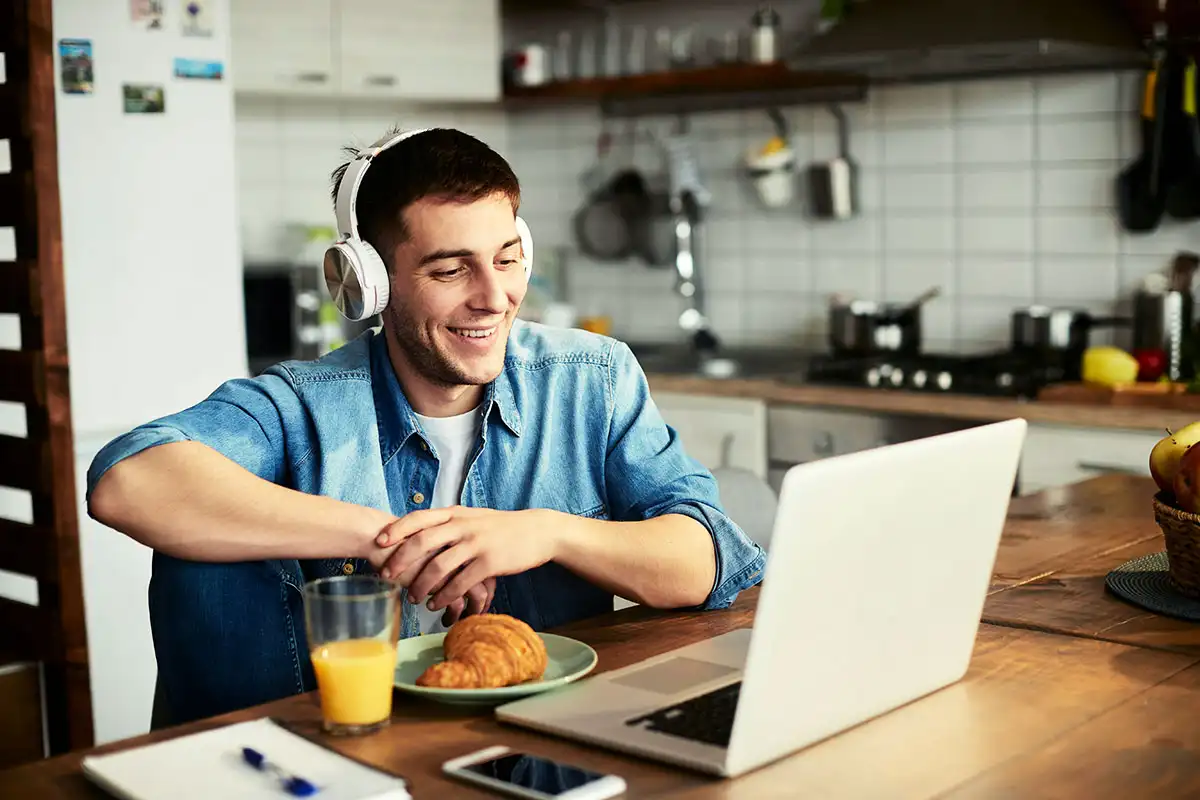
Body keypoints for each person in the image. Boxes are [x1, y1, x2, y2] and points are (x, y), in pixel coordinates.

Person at [86, 127, 766, 728]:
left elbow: (705, 562)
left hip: (541, 744)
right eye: (450, 269)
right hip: (355, 756)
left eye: (506, 258)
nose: (494, 297)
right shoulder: (307, 403)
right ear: (371, 285)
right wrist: (386, 540)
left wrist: (546, 531)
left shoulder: (591, 377)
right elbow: (126, 482)